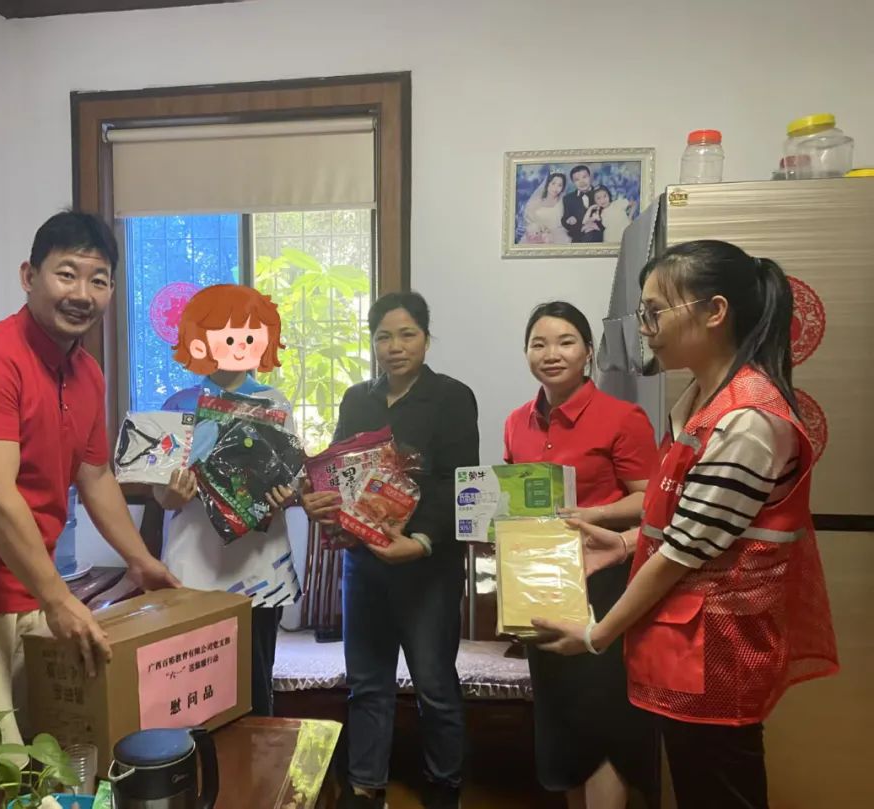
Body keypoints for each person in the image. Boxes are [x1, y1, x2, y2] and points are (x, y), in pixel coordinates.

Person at [531, 241, 839, 809]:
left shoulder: (748, 419)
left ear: (714, 311)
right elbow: (687, 521)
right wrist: (624, 542)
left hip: (719, 651)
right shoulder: (702, 400)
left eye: (655, 311)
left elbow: (681, 553)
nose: (645, 328)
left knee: (719, 791)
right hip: (685, 644)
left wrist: (597, 635)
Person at [0, 211, 180, 782]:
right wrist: (59, 599)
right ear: (29, 275)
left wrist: (141, 561)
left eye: (99, 280)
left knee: (47, 763)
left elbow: (95, 476)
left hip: (28, 591)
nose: (82, 293)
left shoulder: (86, 373)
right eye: (67, 274)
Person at [292, 292, 479, 809]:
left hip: (428, 567)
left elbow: (458, 482)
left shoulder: (452, 397)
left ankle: (444, 785)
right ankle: (365, 785)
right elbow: (336, 471)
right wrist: (318, 499)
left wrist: (420, 542)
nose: (395, 347)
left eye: (407, 334)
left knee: (435, 685)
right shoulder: (358, 399)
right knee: (367, 683)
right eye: (383, 337)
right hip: (365, 563)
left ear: (426, 338)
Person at [503, 301, 658, 809]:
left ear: (588, 352)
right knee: (562, 721)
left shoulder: (622, 417)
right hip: (541, 583)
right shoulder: (516, 423)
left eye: (565, 342)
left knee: (603, 720)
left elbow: (653, 501)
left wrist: (595, 514)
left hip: (607, 581)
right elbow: (513, 502)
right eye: (539, 344)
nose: (551, 354)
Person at [154, 284, 304, 717]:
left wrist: (286, 494)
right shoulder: (178, 405)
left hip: (259, 568)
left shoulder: (274, 403)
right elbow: (160, 494)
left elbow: (293, 477)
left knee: (256, 693)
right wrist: (171, 494)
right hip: (193, 569)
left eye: (248, 334)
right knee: (192, 696)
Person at [522, 172, 573, 244]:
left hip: (559, 236)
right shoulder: (535, 202)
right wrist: (538, 230)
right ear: (547, 184)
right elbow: (529, 221)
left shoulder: (564, 202)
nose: (555, 188)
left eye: (560, 185)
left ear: (562, 188)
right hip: (538, 236)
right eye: (553, 183)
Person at [563, 165, 603, 243]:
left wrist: (597, 227)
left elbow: (609, 215)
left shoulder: (601, 193)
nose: (582, 182)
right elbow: (565, 220)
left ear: (590, 177)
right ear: (573, 182)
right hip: (579, 238)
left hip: (599, 237)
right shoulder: (568, 199)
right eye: (577, 180)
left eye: (584, 177)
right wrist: (570, 220)